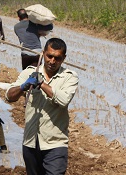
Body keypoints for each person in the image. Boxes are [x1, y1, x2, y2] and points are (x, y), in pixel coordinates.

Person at [6, 38, 79, 175]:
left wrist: (42, 84)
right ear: (43, 53)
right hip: (30, 141)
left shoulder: (69, 77)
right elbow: (9, 96)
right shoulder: (29, 73)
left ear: (63, 58)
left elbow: (63, 100)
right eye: (49, 56)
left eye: (57, 58)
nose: (52, 61)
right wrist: (23, 87)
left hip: (55, 143)